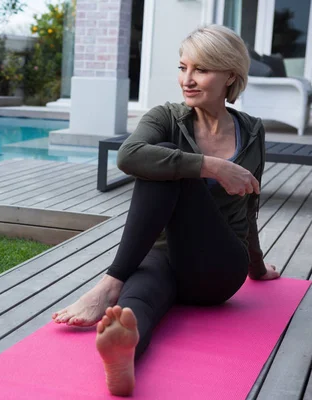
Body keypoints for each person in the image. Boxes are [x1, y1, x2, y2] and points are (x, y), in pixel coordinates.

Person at [51, 24, 281, 397]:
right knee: (135, 304)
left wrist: (256, 267)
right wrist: (212, 165)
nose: (186, 80)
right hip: (163, 258)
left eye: (201, 70)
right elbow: (128, 155)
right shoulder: (166, 117)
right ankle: (124, 356)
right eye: (182, 67)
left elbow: (249, 205)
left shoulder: (252, 131)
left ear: (230, 77)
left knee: (169, 171)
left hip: (218, 269)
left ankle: (108, 283)